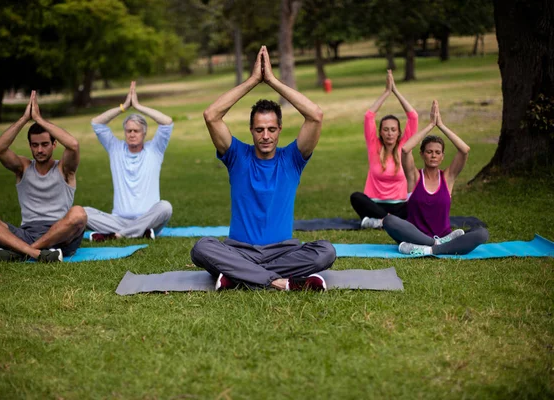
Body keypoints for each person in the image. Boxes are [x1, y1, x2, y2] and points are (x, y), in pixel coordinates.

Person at [190, 46, 336, 292]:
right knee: (201, 248)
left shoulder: (292, 159)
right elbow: (211, 115)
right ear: (251, 131)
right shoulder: (237, 156)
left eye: (271, 129)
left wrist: (272, 80)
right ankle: (275, 281)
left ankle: (238, 278)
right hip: (239, 250)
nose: (265, 136)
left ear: (279, 129)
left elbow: (316, 115)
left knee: (325, 251)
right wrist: (253, 80)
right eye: (259, 129)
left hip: (283, 252)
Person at [0, 91, 87, 262]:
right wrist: (24, 119)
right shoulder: (23, 167)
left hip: (60, 235)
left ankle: (21, 252)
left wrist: (39, 119)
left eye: (44, 144)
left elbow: (73, 145)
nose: (40, 150)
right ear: (30, 146)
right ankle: (38, 253)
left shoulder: (65, 169)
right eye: (35, 145)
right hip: (26, 233)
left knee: (79, 213)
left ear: (54, 144)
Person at [383, 100, 489, 255]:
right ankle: (436, 245)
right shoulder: (414, 176)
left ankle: (429, 250)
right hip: (415, 236)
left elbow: (464, 150)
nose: (433, 155)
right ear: (422, 154)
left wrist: (441, 125)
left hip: (444, 236)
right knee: (389, 221)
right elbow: (405, 150)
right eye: (429, 151)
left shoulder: (447, 177)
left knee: (482, 234)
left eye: (437, 152)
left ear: (442, 156)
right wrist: (430, 125)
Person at [84, 81, 173, 242]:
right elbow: (97, 122)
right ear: (125, 132)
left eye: (136, 131)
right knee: (82, 213)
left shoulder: (155, 149)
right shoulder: (115, 148)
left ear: (144, 133)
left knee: (165, 207)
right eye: (128, 130)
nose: (132, 134)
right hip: (119, 219)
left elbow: (167, 122)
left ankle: (118, 235)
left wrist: (138, 106)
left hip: (149, 219)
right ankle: (139, 232)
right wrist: (124, 106)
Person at [350, 70, 418, 229]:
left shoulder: (404, 147)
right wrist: (386, 92)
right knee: (356, 197)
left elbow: (413, 116)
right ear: (380, 132)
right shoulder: (374, 146)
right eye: (386, 129)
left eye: (393, 130)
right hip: (374, 204)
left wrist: (396, 91)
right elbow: (369, 116)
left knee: (417, 201)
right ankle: (388, 220)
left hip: (399, 205)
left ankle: (379, 222)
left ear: (399, 132)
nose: (389, 133)